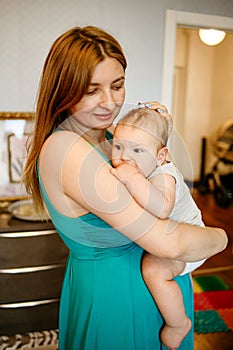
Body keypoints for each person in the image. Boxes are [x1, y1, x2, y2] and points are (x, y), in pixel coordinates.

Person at [22, 26, 227, 350]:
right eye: (92, 90)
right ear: (64, 89)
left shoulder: (109, 138)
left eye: (117, 86)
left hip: (160, 290)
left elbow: (163, 177)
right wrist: (221, 237)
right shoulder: (65, 148)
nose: (109, 102)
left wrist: (155, 136)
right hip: (119, 299)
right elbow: (169, 243)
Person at [111, 107, 208, 349]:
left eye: (137, 150)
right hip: (171, 237)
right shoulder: (141, 167)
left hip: (190, 241)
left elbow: (163, 208)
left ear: (160, 156)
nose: (124, 157)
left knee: (154, 269)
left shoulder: (164, 175)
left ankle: (178, 323)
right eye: (118, 147)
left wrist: (130, 179)